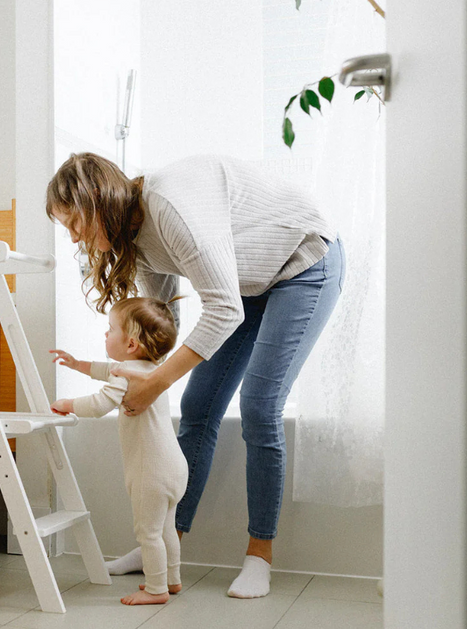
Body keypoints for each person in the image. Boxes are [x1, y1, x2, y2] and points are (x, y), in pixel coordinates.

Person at [47, 152, 344, 598]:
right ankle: (165, 550)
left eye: (75, 223)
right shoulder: (135, 237)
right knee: (198, 406)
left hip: (304, 263)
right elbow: (166, 326)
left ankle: (259, 556)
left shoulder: (170, 210)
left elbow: (223, 309)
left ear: (98, 201)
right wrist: (138, 370)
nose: (73, 238)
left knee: (260, 407)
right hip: (247, 287)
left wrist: (156, 382)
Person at [49, 296, 188, 606]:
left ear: (131, 344)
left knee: (147, 534)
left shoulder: (123, 374)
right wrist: (78, 364)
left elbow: (100, 404)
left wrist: (67, 404)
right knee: (166, 528)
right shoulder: (151, 368)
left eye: (111, 329)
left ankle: (156, 589)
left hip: (150, 471)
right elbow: (106, 370)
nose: (105, 334)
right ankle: (172, 579)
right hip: (175, 466)